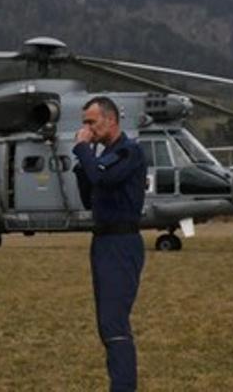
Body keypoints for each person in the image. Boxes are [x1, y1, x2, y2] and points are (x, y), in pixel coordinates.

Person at [72, 96, 147, 392]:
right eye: (84, 123)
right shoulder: (102, 157)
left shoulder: (130, 152)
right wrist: (84, 161)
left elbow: (104, 179)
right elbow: (88, 196)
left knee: (115, 323)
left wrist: (81, 150)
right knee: (106, 324)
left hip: (121, 242)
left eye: (92, 122)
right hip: (103, 241)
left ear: (111, 120)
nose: (87, 128)